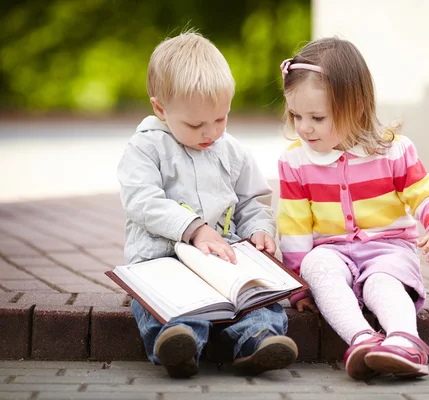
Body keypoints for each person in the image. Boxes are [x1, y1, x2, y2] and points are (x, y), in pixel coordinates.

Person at [117, 30, 297, 379]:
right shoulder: (145, 148)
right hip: (162, 258)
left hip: (223, 260)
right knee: (168, 300)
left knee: (257, 297)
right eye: (196, 124)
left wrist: (260, 230)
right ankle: (177, 344)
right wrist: (193, 228)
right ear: (160, 108)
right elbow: (141, 200)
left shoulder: (231, 151)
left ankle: (259, 340)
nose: (210, 132)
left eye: (220, 119)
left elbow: (251, 201)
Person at [277, 37, 429, 380]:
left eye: (317, 117)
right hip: (332, 251)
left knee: (382, 284)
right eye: (296, 115)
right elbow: (294, 226)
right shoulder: (295, 162)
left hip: (388, 250)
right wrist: (299, 285)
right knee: (317, 265)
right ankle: (361, 339)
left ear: (356, 106)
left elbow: (425, 194)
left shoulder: (393, 152)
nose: (303, 127)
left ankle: (405, 342)